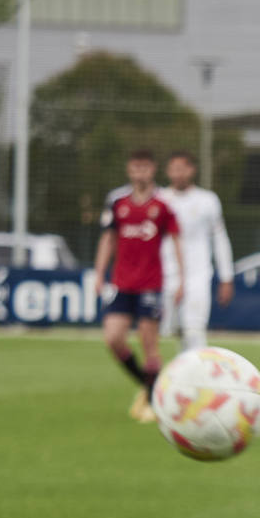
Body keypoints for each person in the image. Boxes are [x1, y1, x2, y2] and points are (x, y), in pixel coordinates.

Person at [94, 149, 184, 423]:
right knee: (113, 339)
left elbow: (177, 242)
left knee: (149, 343)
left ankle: (153, 401)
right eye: (135, 168)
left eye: (145, 168)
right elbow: (108, 239)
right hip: (122, 283)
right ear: (129, 170)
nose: (140, 172)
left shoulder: (162, 205)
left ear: (152, 170)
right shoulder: (118, 203)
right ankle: (151, 388)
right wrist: (99, 274)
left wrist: (181, 278)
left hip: (150, 284)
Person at [158, 151, 234, 353]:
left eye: (182, 169)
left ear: (192, 170)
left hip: (198, 274)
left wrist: (226, 277)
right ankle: (179, 374)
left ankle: (196, 378)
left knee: (194, 329)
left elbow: (220, 239)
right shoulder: (160, 199)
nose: (178, 174)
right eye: (174, 169)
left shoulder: (207, 200)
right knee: (170, 329)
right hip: (165, 274)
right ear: (167, 171)